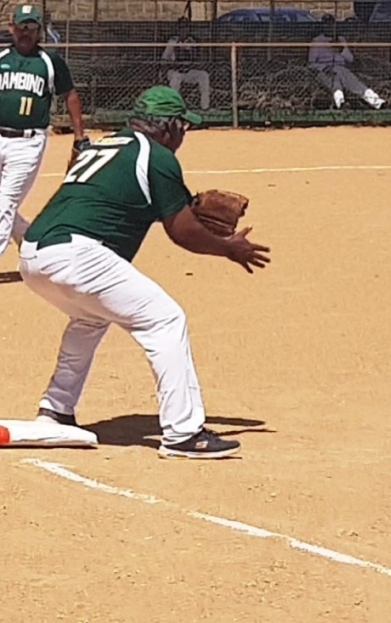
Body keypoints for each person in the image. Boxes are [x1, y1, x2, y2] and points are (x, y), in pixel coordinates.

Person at [19, 86, 271, 459]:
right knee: (165, 319)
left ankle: (56, 409)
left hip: (34, 253)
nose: (184, 134)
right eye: (183, 125)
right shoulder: (158, 156)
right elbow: (181, 231)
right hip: (77, 254)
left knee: (89, 320)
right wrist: (228, 248)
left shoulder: (106, 145)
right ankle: (184, 433)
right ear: (168, 127)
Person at [0, 3, 85, 287]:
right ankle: (35, 243)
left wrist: (79, 134)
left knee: (6, 203)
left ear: (38, 31)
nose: (26, 33)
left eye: (31, 28)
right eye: (21, 27)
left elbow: (69, 95)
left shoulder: (49, 61)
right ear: (12, 28)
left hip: (29, 142)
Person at [307, 29, 385, 109]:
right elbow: (311, 63)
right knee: (336, 84)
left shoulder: (341, 39)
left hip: (341, 68)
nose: (329, 27)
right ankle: (341, 104)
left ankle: (378, 103)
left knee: (356, 84)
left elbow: (350, 59)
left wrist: (341, 49)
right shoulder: (317, 41)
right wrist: (323, 68)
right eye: (326, 25)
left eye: (331, 24)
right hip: (324, 70)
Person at [161, 25, 211, 110]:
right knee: (176, 78)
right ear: (178, 30)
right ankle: (173, 106)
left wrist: (191, 63)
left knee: (203, 75)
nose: (184, 31)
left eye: (186, 28)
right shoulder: (173, 42)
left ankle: (205, 106)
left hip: (188, 71)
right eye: (182, 28)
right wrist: (171, 66)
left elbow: (196, 58)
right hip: (175, 71)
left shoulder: (191, 41)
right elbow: (165, 59)